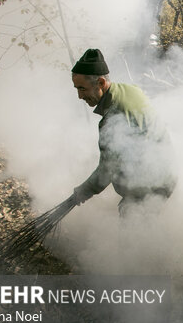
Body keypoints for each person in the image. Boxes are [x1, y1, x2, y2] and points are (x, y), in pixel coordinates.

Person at [69, 48, 176, 215]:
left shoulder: (114, 115)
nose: (79, 96)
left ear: (101, 83)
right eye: (77, 89)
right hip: (164, 174)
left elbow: (107, 169)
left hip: (152, 184)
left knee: (133, 229)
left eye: (82, 89)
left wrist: (83, 191)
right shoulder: (128, 89)